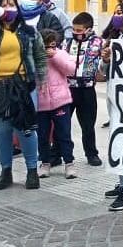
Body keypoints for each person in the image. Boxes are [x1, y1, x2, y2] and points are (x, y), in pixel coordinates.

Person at [0, 0, 46, 191]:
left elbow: (40, 55)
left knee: (26, 129)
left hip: (23, 86)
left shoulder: (29, 31)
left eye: (11, 5)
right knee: (3, 132)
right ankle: (6, 170)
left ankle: (32, 171)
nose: (8, 9)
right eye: (3, 5)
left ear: (18, 8)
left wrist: (42, 80)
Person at [102, 3, 123, 211]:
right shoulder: (119, 39)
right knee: (120, 138)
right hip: (116, 95)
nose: (116, 16)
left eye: (120, 13)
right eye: (115, 12)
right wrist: (107, 60)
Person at [63, 12, 104, 166]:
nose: (76, 33)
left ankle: (91, 154)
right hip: (68, 89)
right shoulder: (66, 43)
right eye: (74, 30)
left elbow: (104, 63)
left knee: (88, 125)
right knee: (62, 124)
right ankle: (57, 153)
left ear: (88, 29)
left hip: (87, 89)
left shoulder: (98, 42)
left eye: (79, 31)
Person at [36, 30, 77, 180]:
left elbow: (71, 70)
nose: (49, 49)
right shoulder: (35, 56)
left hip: (60, 100)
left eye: (52, 45)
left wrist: (55, 56)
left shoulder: (61, 54)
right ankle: (45, 162)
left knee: (64, 133)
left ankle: (69, 163)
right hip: (41, 103)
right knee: (42, 135)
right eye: (45, 46)